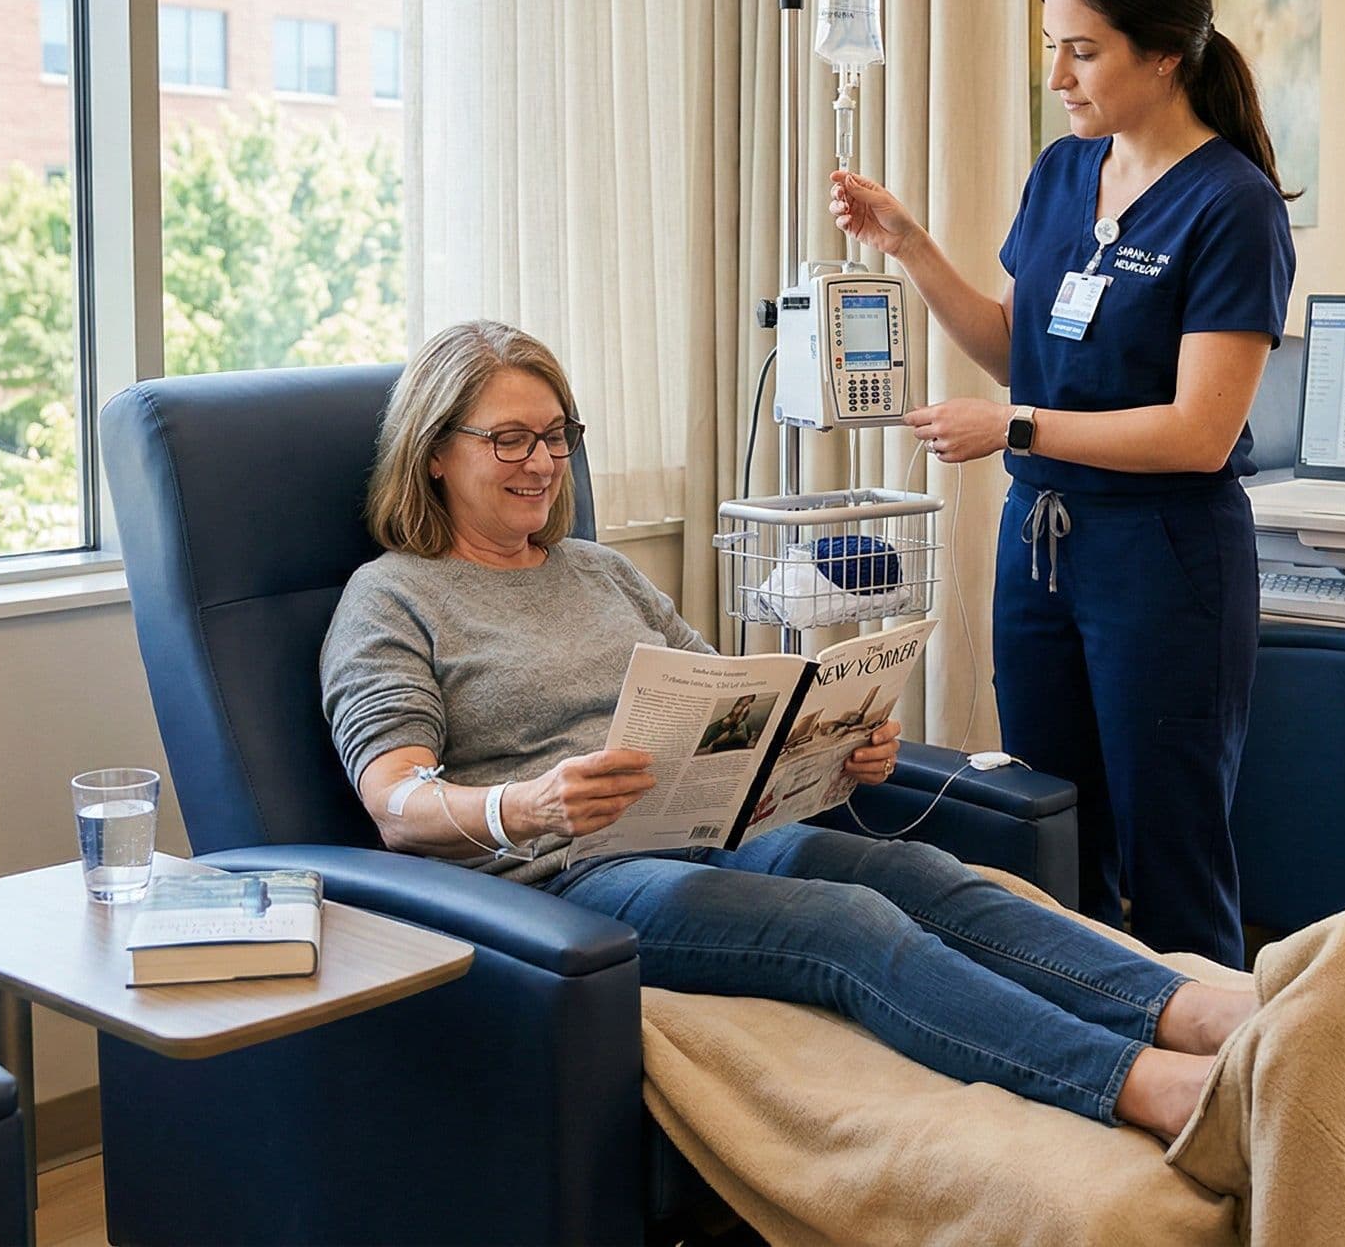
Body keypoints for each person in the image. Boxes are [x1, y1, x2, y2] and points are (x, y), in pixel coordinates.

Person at [319, 320, 1258, 1136]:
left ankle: (1198, 1014)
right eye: (511, 440)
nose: (542, 464)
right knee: (843, 923)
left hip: (703, 835)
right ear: (434, 450)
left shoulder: (599, 572)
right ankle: (1146, 1088)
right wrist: (523, 806)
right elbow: (397, 805)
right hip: (566, 879)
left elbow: (734, 700)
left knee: (921, 874)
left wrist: (833, 750)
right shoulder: (393, 596)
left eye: (558, 438)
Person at [830, 0, 1297, 965]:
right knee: (1047, 827)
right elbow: (1012, 348)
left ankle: (1215, 1090)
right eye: (1052, 45)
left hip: (1163, 554)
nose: (1057, 75)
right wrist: (907, 245)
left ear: (1164, 53)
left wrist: (1016, 428)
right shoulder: (1061, 174)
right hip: (1041, 546)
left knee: (1169, 848)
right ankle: (1090, 1071)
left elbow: (1197, 431)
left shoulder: (1233, 206)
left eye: (1081, 50)